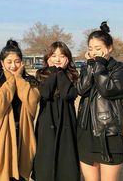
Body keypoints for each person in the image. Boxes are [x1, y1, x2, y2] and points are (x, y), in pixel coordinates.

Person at [76, 22, 123, 181]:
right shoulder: (89, 66)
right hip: (85, 132)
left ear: (109, 48)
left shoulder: (121, 69)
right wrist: (89, 66)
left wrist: (99, 64)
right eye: (90, 48)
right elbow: (81, 89)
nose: (93, 52)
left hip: (109, 132)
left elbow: (108, 89)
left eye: (98, 48)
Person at [0, 39, 40, 181]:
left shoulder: (31, 83)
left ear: (22, 62)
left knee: (22, 174)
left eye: (17, 61)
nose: (13, 65)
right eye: (9, 62)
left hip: (25, 135)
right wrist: (12, 79)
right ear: (2, 63)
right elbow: (1, 103)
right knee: (4, 174)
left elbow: (31, 102)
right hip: (4, 136)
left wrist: (19, 79)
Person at [32, 41, 80, 181]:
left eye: (62, 55)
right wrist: (54, 72)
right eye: (54, 55)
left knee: (67, 157)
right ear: (48, 58)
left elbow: (68, 94)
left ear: (68, 58)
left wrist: (60, 73)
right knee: (45, 156)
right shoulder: (41, 74)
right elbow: (45, 93)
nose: (58, 59)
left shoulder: (72, 74)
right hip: (47, 120)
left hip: (67, 120)